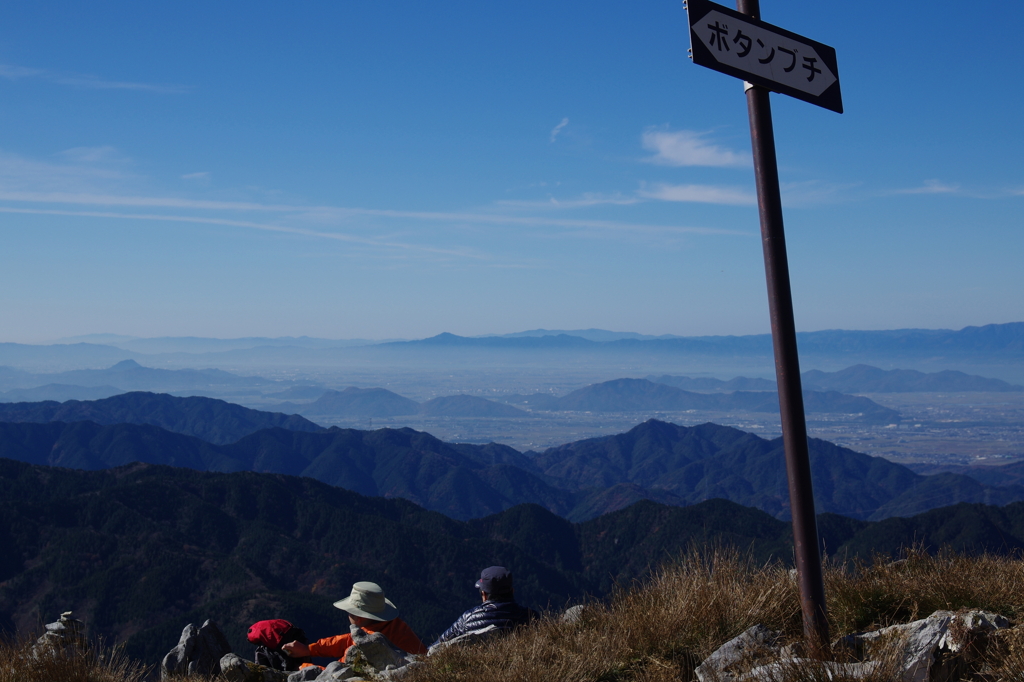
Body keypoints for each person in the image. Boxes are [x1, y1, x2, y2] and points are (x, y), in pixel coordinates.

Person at [282, 581, 427, 663]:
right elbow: (346, 640)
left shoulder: (368, 644)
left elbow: (337, 673)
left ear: (359, 617)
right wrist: (310, 649)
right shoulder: (393, 625)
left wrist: (303, 668)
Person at [430, 566, 537, 651]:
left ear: (484, 594)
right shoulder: (531, 616)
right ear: (512, 591)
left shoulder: (467, 618)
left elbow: (436, 647)